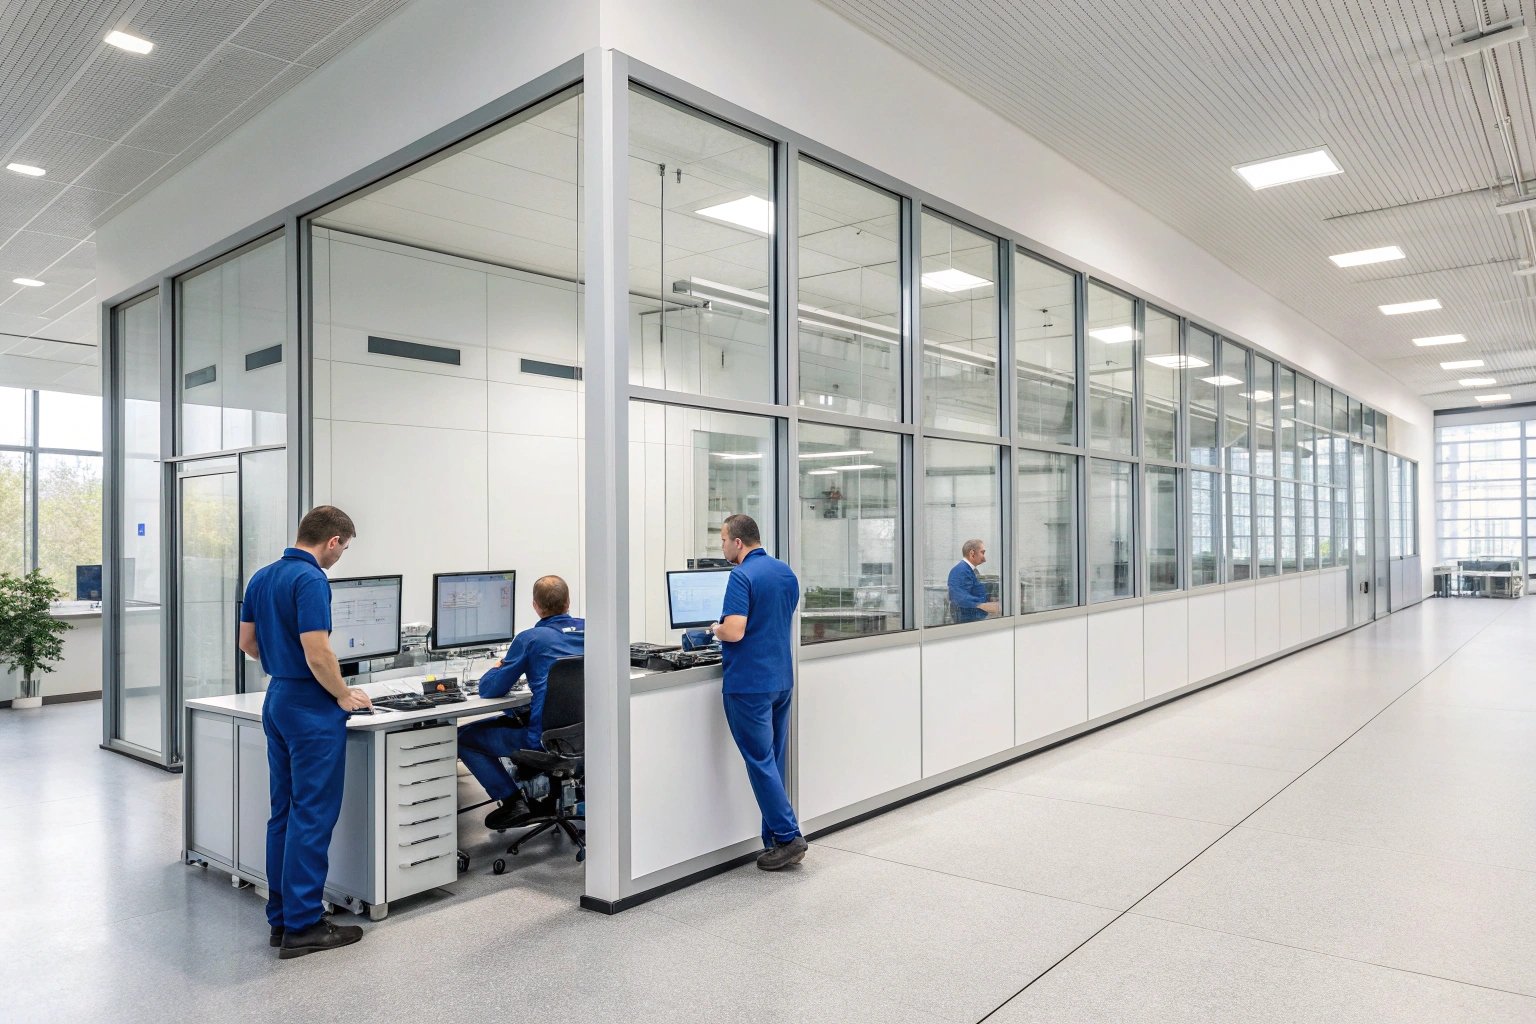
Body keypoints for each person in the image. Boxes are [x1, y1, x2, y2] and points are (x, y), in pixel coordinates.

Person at [237, 505, 370, 959]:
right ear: (332, 540)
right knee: (313, 815)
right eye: (344, 549)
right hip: (311, 707)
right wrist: (342, 694)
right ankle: (305, 925)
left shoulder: (262, 576)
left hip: (278, 700)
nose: (340, 557)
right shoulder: (311, 579)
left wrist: (283, 663)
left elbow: (248, 644)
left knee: (285, 814)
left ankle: (282, 918)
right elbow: (318, 652)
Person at [707, 513, 806, 871]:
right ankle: (776, 841)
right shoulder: (785, 572)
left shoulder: (741, 575)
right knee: (773, 760)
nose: (721, 547)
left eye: (722, 540)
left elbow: (735, 631)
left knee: (759, 761)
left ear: (738, 542)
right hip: (780, 678)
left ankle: (789, 835)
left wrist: (715, 628)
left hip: (748, 684)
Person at [458, 575, 585, 830]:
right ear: (569, 601)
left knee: (463, 738)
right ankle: (547, 797)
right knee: (517, 713)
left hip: (542, 741)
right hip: (585, 735)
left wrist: (498, 667)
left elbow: (490, 689)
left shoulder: (531, 639)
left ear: (536, 606)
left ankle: (513, 801)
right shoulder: (593, 630)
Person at [947, 538, 1001, 623]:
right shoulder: (960, 570)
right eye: (982, 552)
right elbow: (958, 597)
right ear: (972, 553)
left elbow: (973, 591)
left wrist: (990, 599)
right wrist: (983, 605)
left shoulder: (970, 570)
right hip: (967, 622)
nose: (985, 558)